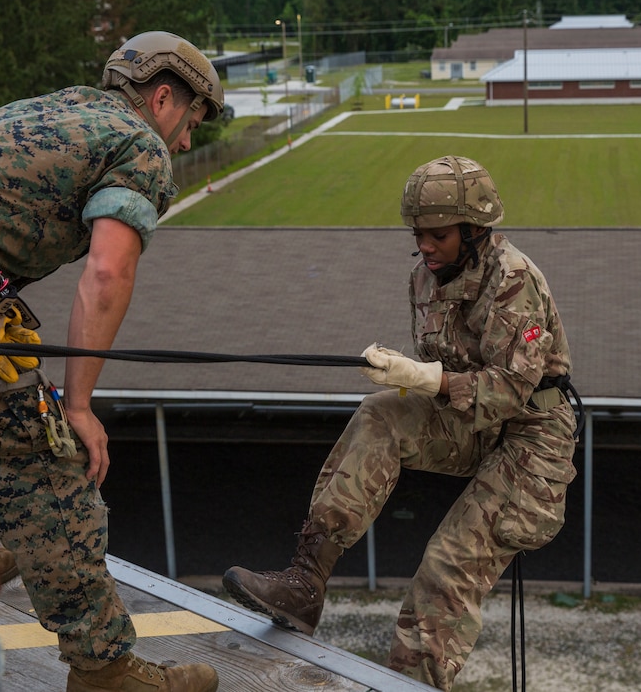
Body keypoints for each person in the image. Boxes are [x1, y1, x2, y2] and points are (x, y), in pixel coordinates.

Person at [0, 31, 224, 692]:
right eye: (190, 123)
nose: (184, 143)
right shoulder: (139, 145)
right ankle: (106, 669)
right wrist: (76, 405)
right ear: (163, 99)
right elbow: (106, 270)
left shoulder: (57, 108)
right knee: (52, 463)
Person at [224, 155, 579, 690]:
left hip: (533, 437)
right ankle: (305, 582)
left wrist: (427, 379)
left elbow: (508, 392)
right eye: (419, 233)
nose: (426, 245)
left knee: (447, 565)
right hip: (471, 420)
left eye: (437, 233)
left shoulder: (513, 281)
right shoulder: (424, 278)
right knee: (382, 413)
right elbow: (449, 383)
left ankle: (413, 682)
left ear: (473, 229)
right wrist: (407, 378)